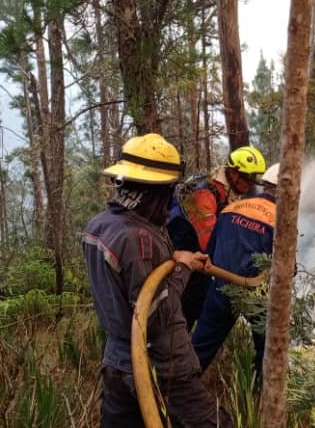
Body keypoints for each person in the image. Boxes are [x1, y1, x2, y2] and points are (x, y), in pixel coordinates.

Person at [82, 133, 232, 428]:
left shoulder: (99, 225)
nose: (171, 203)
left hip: (117, 362)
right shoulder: (139, 238)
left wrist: (175, 258)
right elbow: (154, 315)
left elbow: (125, 279)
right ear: (154, 192)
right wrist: (183, 269)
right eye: (169, 193)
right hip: (161, 364)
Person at [192, 164, 280, 377]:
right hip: (257, 296)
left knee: (198, 350)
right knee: (268, 355)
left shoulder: (232, 208)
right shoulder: (281, 220)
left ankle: (172, 395)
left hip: (220, 289)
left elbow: (210, 250)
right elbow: (284, 270)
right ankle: (259, 402)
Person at [167, 145, 266, 331]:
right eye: (247, 179)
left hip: (199, 267)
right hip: (182, 269)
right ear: (234, 173)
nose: (250, 185)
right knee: (179, 319)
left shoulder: (227, 195)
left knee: (198, 308)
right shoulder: (204, 195)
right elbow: (209, 241)